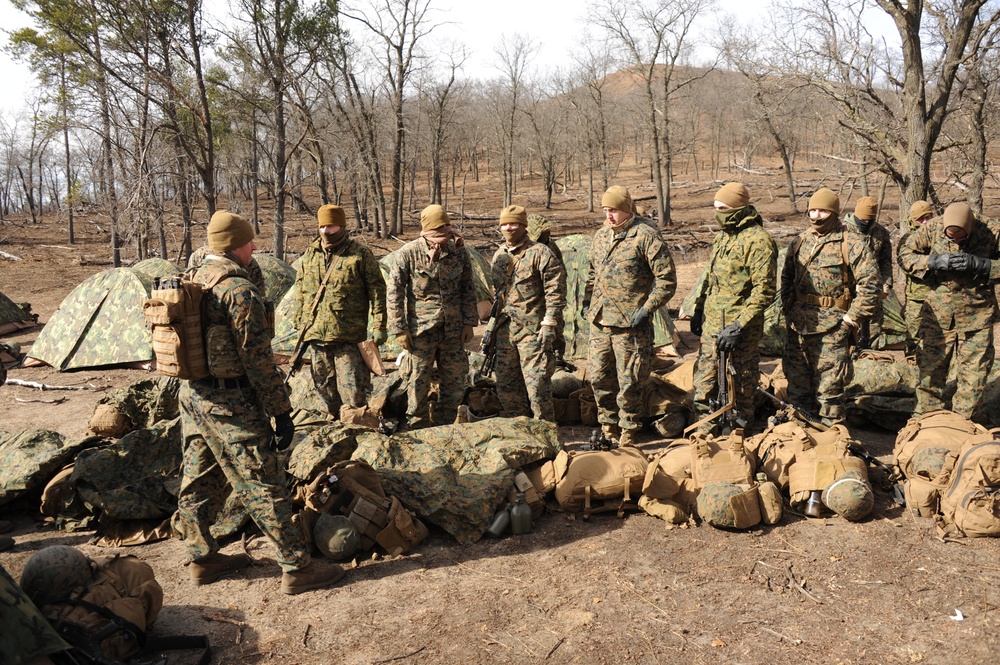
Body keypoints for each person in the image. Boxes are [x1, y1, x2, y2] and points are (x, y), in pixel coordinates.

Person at [171, 210, 344, 595]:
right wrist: (281, 410)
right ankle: (297, 568)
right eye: (250, 241)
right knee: (264, 482)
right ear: (236, 245)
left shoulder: (196, 275)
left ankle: (202, 558)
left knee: (198, 477)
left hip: (194, 395)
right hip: (229, 400)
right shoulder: (238, 291)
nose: (255, 247)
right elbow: (257, 359)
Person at [585, 185, 677, 447]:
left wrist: (646, 309)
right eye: (605, 210)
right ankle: (608, 425)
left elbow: (666, 281)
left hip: (630, 323)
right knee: (599, 377)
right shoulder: (601, 236)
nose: (609, 215)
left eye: (613, 210)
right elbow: (592, 273)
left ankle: (628, 429)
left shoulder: (646, 236)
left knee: (630, 380)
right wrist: (586, 302)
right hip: (600, 321)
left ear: (626, 209)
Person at [780, 188, 880, 426]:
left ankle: (831, 444)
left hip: (834, 327)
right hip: (799, 325)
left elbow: (870, 286)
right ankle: (799, 438)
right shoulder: (800, 242)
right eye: (813, 210)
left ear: (834, 212)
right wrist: (787, 311)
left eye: (823, 210)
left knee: (830, 391)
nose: (816, 215)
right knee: (797, 387)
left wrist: (850, 321)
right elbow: (786, 279)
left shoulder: (852, 242)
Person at [897, 202, 1000, 418]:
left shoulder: (992, 231)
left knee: (974, 376)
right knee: (929, 372)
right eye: (951, 238)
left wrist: (983, 265)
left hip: (977, 314)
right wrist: (932, 261)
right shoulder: (932, 227)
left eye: (960, 238)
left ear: (970, 229)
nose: (956, 242)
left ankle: (964, 424)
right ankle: (926, 422)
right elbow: (904, 254)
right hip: (938, 313)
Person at [690, 183, 777, 432]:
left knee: (740, 385)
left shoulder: (759, 241)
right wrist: (698, 309)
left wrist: (740, 325)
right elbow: (710, 279)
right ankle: (704, 432)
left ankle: (739, 437)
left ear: (739, 208)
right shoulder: (722, 237)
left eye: (723, 209)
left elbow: (765, 291)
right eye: (715, 208)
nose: (718, 214)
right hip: (713, 326)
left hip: (741, 331)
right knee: (705, 382)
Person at [387, 204, 478, 429]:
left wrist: (469, 322)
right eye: (438, 227)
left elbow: (468, 287)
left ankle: (443, 426)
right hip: (420, 332)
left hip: (453, 331)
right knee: (416, 384)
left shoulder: (458, 251)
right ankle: (417, 427)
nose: (444, 231)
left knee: (455, 383)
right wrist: (400, 329)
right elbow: (394, 292)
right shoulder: (408, 253)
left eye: (447, 226)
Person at [293, 204, 387, 418]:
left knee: (353, 396)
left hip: (348, 339)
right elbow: (301, 289)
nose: (327, 231)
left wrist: (379, 324)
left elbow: (378, 290)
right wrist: (300, 322)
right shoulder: (310, 254)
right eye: (323, 226)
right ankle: (334, 437)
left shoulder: (360, 255)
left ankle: (359, 436)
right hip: (316, 339)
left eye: (332, 226)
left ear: (342, 226)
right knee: (325, 394)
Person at [490, 205, 567, 421]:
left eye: (513, 224)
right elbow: (499, 296)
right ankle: (523, 431)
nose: (508, 228)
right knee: (506, 386)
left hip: (533, 332)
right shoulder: (499, 256)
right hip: (506, 332)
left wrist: (549, 323)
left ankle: (546, 432)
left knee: (538, 388)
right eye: (504, 224)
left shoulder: (540, 253)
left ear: (524, 226)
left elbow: (556, 291)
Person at [843, 196, 893, 348]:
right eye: (862, 220)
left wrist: (886, 283)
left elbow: (885, 261)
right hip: (847, 288)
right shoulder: (842, 231)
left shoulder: (881, 233)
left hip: (873, 288)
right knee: (847, 325)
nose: (865, 223)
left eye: (869, 220)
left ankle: (871, 355)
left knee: (873, 325)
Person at [527, 213, 568, 364]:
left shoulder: (550, 247)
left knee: (556, 330)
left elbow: (560, 274)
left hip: (551, 298)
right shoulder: (529, 249)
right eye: (544, 231)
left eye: (548, 230)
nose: (548, 233)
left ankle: (558, 360)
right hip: (533, 302)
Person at [898, 200, 936, 356]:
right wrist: (929, 268)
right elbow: (905, 264)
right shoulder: (907, 239)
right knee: (913, 335)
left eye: (928, 217)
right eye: (921, 219)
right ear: (913, 220)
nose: (925, 222)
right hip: (916, 297)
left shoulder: (941, 235)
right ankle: (911, 362)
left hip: (938, 294)